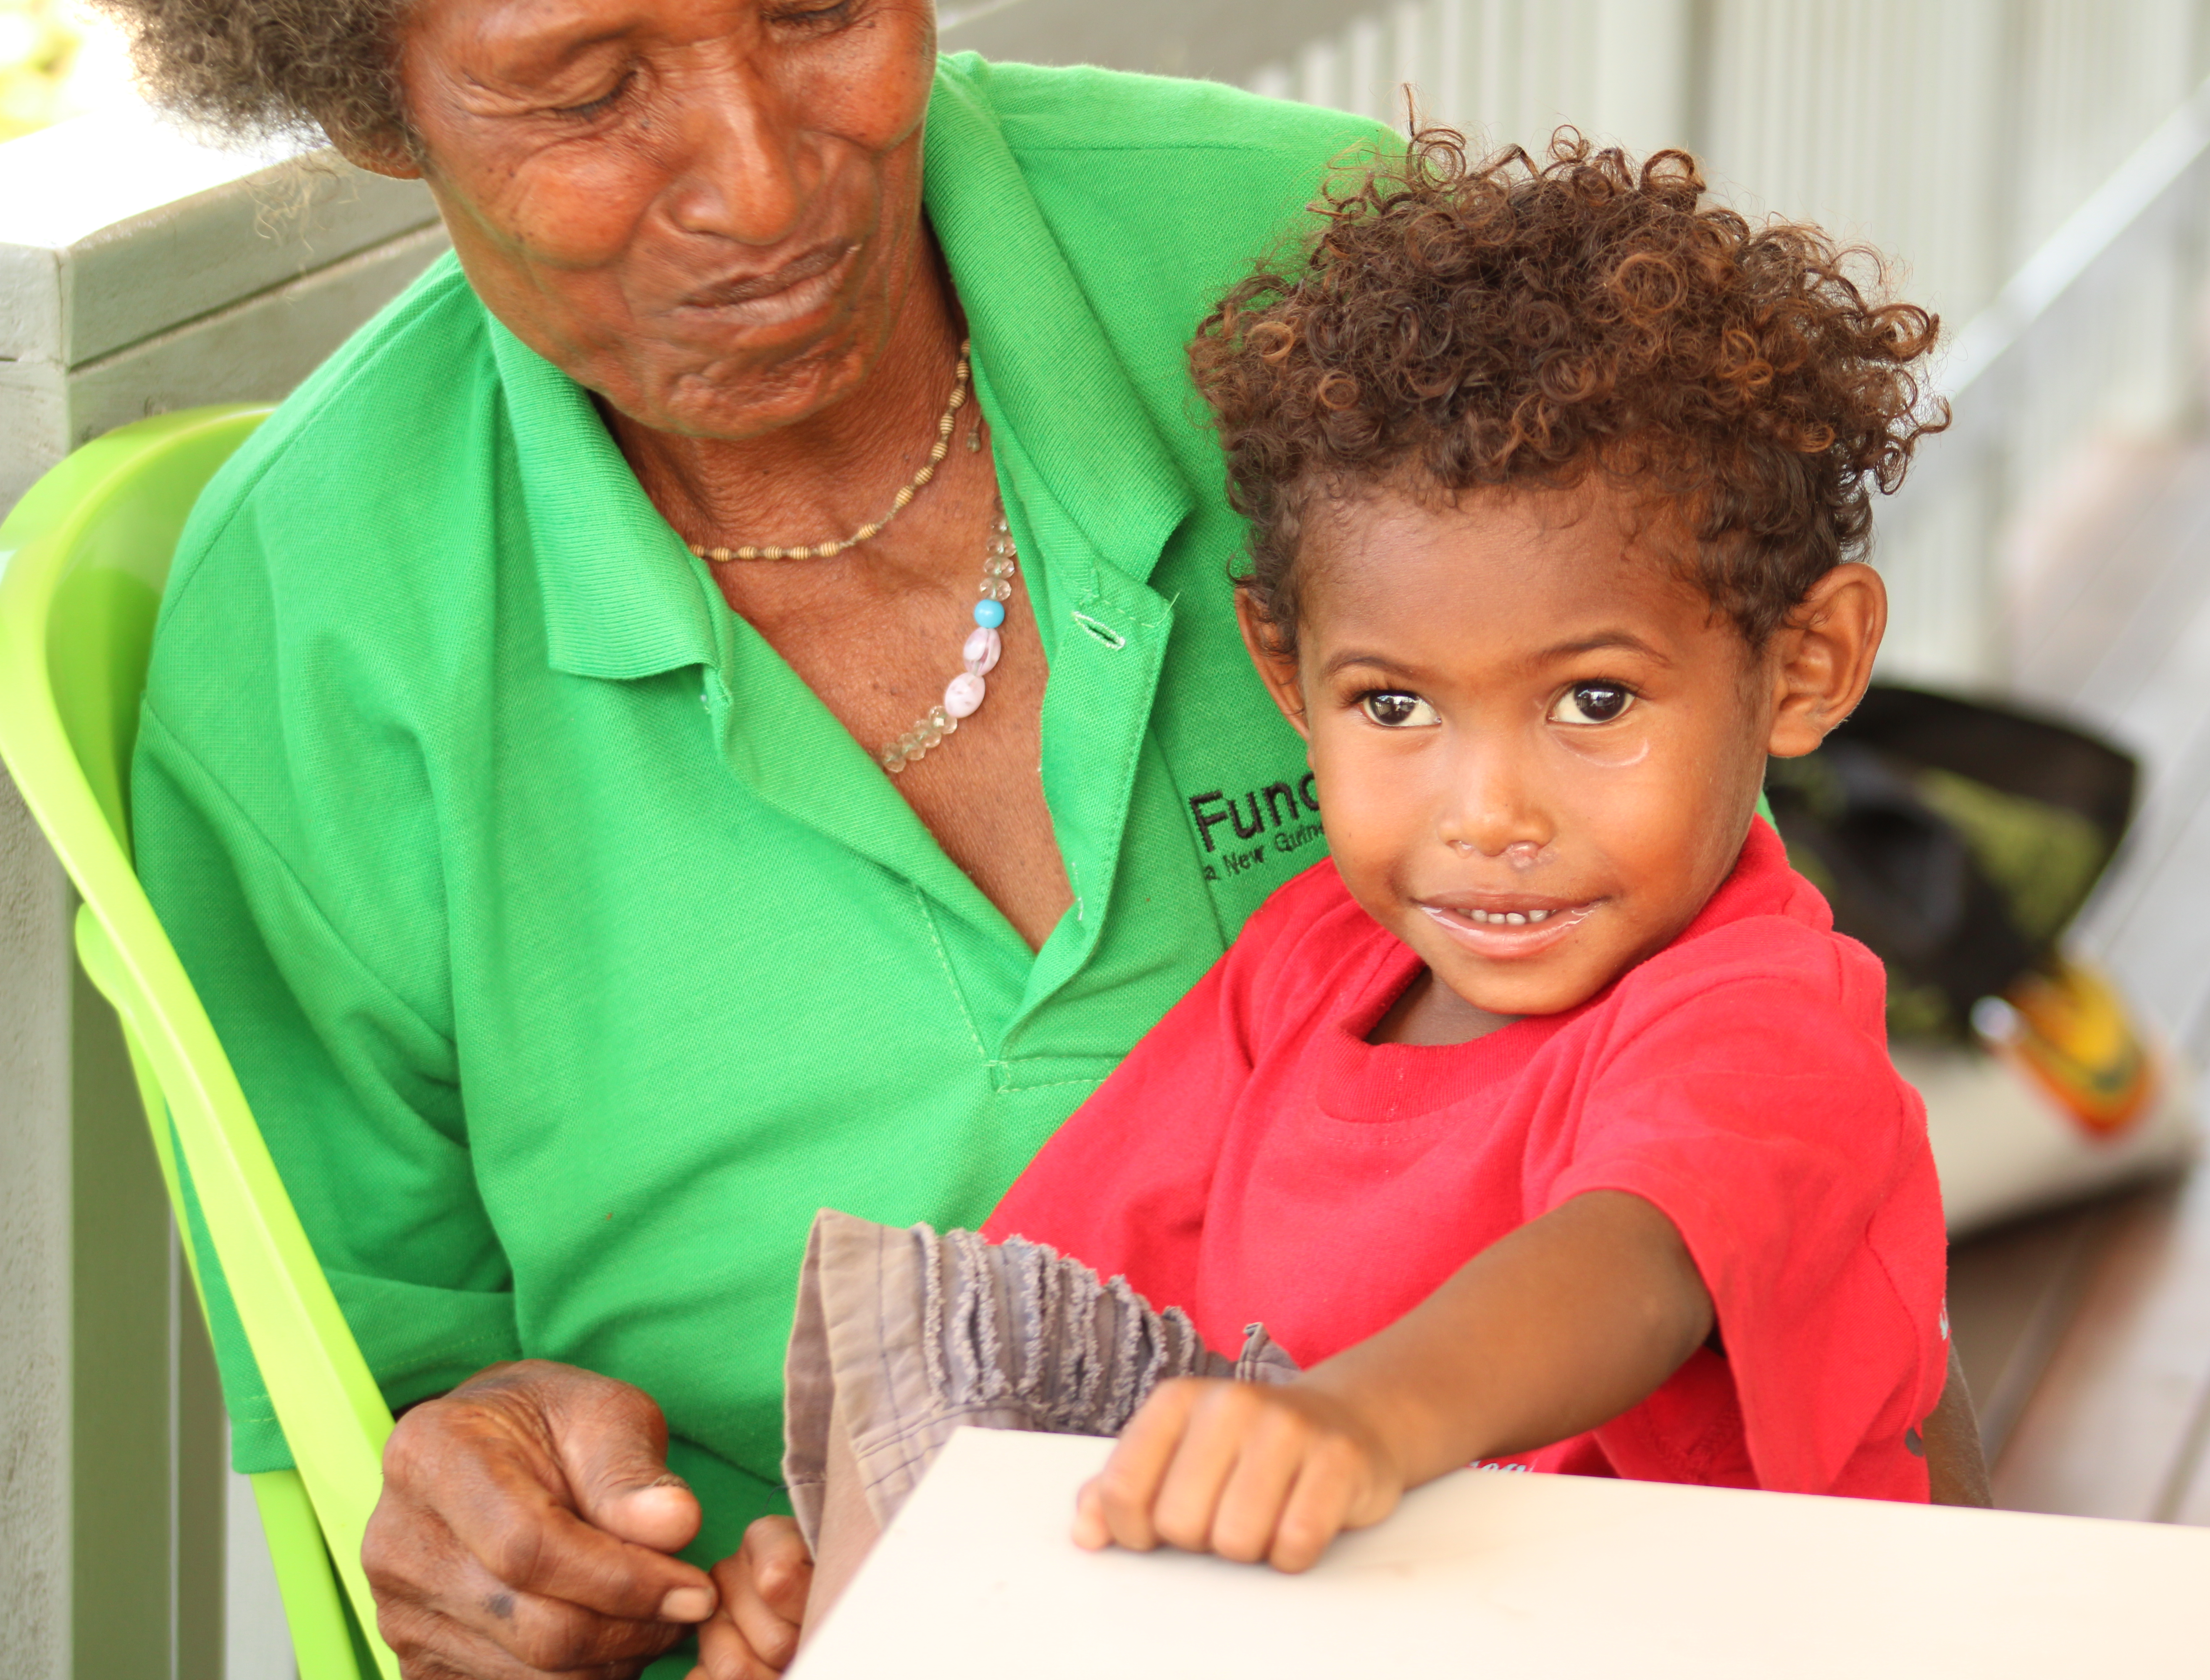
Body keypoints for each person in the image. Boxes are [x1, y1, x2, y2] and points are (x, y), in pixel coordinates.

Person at [105, 0, 1985, 1671]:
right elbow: (1004, 1299)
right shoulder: (308, 618)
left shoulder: (1319, 290)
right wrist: (813, 1561)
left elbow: (1717, 1166)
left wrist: (1364, 1415)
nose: (759, 188)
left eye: (822, 11)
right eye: (588, 90)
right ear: (374, 91)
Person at [728, 130, 1979, 1665]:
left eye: (1594, 701)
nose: (1490, 814)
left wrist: (1365, 1417)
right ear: (1287, 678)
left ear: (1807, 666)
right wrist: (898, 1548)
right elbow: (1042, 1301)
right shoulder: (1306, 966)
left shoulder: (1761, 1015)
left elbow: (1636, 1261)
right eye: (1394, 709)